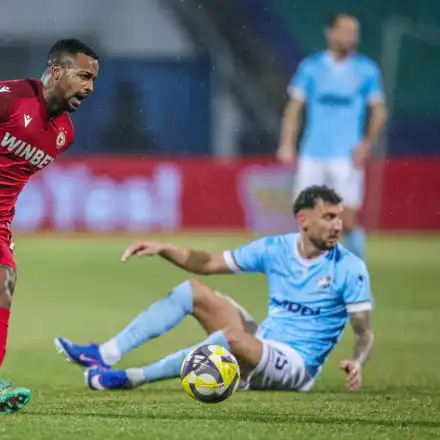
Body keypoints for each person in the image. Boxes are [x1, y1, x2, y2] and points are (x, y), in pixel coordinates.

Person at [55, 185, 374, 393]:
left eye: (338, 217)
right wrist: (164, 248)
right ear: (303, 220)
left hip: (297, 366)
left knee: (232, 339)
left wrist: (358, 362)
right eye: (328, 217)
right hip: (264, 342)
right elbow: (209, 262)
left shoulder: (349, 268)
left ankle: (133, 377)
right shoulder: (275, 249)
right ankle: (105, 353)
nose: (337, 225)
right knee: (192, 291)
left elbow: (364, 332)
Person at [0, 38, 99, 413]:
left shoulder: (64, 135)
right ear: (57, 72)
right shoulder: (11, 98)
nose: (90, 87)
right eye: (84, 76)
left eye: (94, 80)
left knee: (4, 283)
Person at [276, 13, 387, 260]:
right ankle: (310, 275)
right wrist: (287, 143)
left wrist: (366, 144)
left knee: (346, 219)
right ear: (330, 33)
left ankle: (357, 275)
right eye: (346, 31)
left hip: (347, 155)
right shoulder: (311, 67)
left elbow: (379, 111)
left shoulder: (366, 70)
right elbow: (294, 108)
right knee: (307, 218)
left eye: (354, 32)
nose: (352, 38)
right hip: (313, 152)